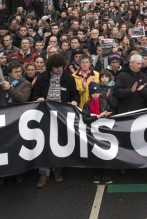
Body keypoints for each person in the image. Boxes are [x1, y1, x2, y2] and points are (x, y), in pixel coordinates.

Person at [31, 53, 80, 187]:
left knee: (59, 142)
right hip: (45, 115)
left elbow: (75, 94)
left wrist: (75, 101)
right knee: (44, 142)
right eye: (56, 67)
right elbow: (35, 93)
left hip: (61, 116)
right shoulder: (42, 79)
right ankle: (44, 172)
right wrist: (38, 99)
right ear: (50, 67)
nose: (59, 69)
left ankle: (57, 169)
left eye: (61, 67)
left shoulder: (69, 79)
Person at [82, 82, 113, 183]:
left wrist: (108, 114)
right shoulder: (87, 104)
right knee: (94, 153)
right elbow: (85, 118)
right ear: (90, 94)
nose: (95, 95)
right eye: (93, 93)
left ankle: (106, 172)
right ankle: (96, 173)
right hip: (92, 133)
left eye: (97, 92)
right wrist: (97, 116)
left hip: (104, 132)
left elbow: (111, 111)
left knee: (105, 152)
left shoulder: (104, 102)